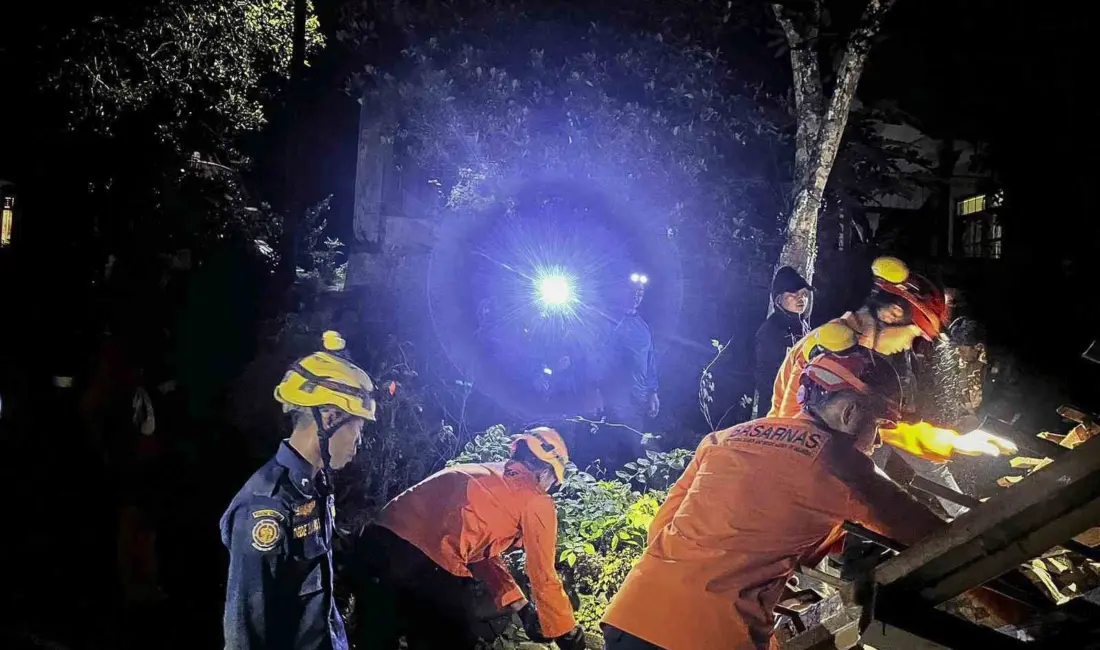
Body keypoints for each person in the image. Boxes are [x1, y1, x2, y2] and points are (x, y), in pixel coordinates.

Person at [600, 348, 952, 650]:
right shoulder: (843, 464)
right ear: (849, 413)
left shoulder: (725, 438)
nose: (876, 442)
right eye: (877, 425)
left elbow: (662, 528)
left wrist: (763, 580)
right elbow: (937, 538)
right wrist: (993, 601)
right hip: (709, 636)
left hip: (633, 615)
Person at [353, 427, 585, 650]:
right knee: (453, 641)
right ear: (545, 472)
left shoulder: (485, 474)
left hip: (375, 543)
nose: (549, 488)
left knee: (375, 639)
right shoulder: (536, 498)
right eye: (553, 482)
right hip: (428, 563)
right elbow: (542, 573)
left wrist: (521, 606)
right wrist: (565, 631)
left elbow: (479, 554)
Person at [220, 330, 376, 650]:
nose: (359, 442)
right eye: (357, 428)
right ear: (330, 418)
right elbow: (245, 635)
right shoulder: (265, 507)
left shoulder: (316, 486)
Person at [597, 272, 660, 469]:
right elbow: (595, 358)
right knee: (607, 450)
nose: (636, 296)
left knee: (633, 451)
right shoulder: (607, 320)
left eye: (640, 292)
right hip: (612, 398)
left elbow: (650, 361)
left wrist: (653, 392)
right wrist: (595, 392)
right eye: (632, 291)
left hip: (637, 399)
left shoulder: (643, 326)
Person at [754, 266, 812, 408]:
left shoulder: (804, 328)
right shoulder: (771, 330)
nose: (801, 298)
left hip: (799, 404)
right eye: (793, 293)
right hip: (777, 407)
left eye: (803, 293)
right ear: (779, 299)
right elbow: (764, 378)